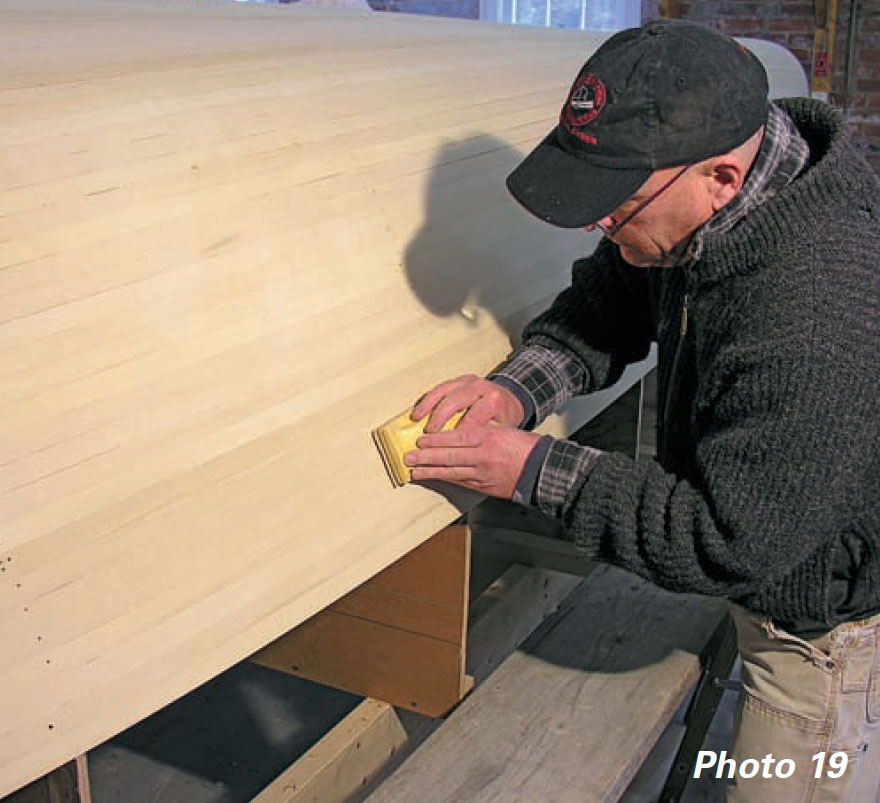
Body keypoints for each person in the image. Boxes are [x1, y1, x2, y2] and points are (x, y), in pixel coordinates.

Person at [403, 19, 880, 803]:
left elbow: (726, 538)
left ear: (720, 178)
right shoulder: (707, 205)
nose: (602, 228)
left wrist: (533, 468)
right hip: (770, 548)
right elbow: (618, 292)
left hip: (816, 635)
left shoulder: (814, 309)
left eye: (617, 207)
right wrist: (517, 388)